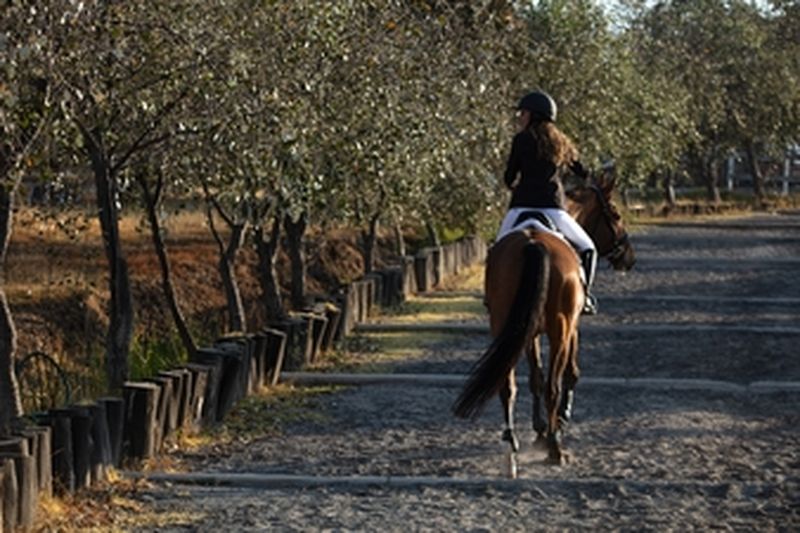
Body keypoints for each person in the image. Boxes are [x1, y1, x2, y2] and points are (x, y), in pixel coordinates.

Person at [496, 90, 598, 315]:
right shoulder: (560, 141)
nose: (520, 117)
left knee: (497, 251)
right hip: (553, 209)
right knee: (589, 249)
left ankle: (491, 296)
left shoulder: (520, 139)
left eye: (523, 113)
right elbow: (581, 171)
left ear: (534, 115)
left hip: (520, 207)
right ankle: (587, 296)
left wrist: (513, 185)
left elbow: (509, 177)